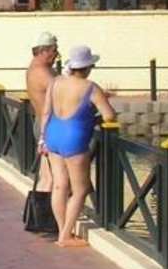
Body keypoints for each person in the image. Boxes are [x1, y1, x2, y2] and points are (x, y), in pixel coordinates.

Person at [40, 44, 115, 248]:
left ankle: (62, 229)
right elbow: (109, 115)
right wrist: (93, 118)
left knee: (59, 185)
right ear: (88, 67)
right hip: (74, 139)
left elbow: (46, 112)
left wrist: (42, 139)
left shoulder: (55, 82)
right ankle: (65, 236)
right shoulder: (91, 88)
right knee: (80, 190)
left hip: (53, 135)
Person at [25, 32, 58, 190]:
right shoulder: (42, 72)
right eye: (54, 50)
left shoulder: (38, 69)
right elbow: (63, 93)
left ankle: (42, 204)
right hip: (49, 126)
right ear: (43, 51)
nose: (57, 55)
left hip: (44, 124)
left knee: (46, 176)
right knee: (52, 178)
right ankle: (47, 205)